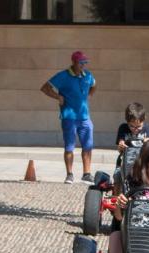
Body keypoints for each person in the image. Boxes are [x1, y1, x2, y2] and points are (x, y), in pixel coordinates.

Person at [41, 51, 97, 184]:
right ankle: (69, 174)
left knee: (88, 146)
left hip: (84, 118)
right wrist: (58, 97)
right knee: (69, 147)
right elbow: (45, 88)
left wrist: (88, 96)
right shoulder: (63, 76)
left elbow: (94, 85)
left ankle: (87, 174)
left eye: (85, 62)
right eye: (81, 62)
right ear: (74, 62)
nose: (83, 65)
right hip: (69, 117)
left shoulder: (87, 75)